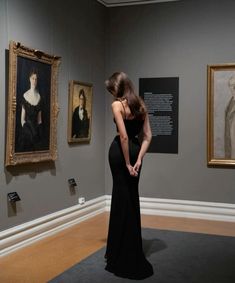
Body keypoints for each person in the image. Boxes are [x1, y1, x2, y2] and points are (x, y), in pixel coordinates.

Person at [105, 72, 153, 279]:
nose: (112, 95)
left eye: (112, 90)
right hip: (135, 152)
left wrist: (126, 163)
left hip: (120, 155)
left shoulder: (117, 106)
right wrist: (139, 159)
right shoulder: (140, 105)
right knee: (131, 199)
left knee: (120, 199)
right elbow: (148, 136)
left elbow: (123, 136)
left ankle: (118, 251)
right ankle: (129, 246)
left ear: (120, 87)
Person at [18, 69, 43, 152]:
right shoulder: (25, 95)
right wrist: (29, 133)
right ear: (29, 79)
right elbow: (22, 120)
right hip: (26, 132)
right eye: (33, 78)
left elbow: (39, 120)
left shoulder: (39, 97)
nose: (34, 81)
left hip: (36, 132)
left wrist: (39, 133)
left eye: (36, 79)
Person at [225, 75, 235, 159]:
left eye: (234, 85)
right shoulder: (231, 102)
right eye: (231, 85)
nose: (233, 88)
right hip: (230, 137)